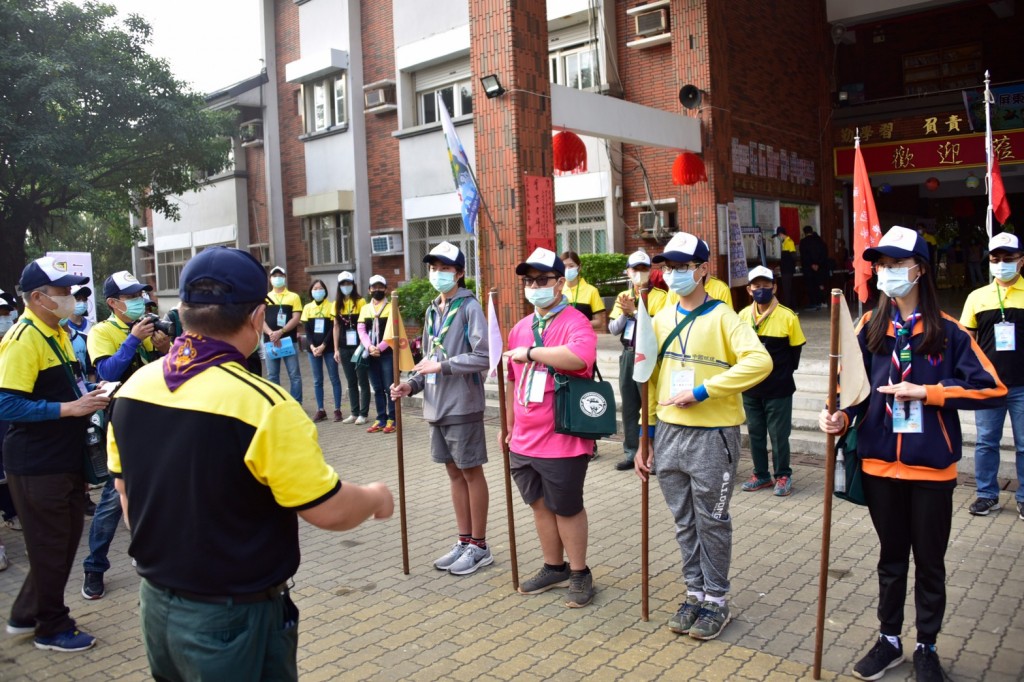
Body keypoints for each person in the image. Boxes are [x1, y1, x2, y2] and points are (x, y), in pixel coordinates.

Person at [106, 246, 393, 680]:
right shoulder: (265, 405)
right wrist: (374, 497)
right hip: (231, 619)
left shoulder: (132, 389)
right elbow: (327, 508)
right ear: (258, 317)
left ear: (183, 312)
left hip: (156, 606)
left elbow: (125, 490)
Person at [819, 225, 1005, 682]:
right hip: (880, 465)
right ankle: (889, 641)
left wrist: (929, 393)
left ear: (919, 269)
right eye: (881, 264)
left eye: (896, 264)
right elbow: (855, 392)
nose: (886, 272)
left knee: (930, 562)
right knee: (891, 559)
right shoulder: (868, 327)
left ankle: (927, 646)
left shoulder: (951, 332)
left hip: (931, 469)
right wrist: (841, 417)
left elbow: (993, 388)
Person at [634, 232, 771, 641]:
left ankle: (717, 600)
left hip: (713, 436)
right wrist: (646, 437)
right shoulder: (658, 319)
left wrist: (704, 391)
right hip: (669, 433)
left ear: (703, 270)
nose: (674, 274)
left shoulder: (725, 317)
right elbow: (649, 381)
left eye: (682, 267)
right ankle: (693, 592)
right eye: (669, 267)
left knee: (712, 521)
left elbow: (759, 362)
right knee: (683, 521)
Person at [0, 257, 110, 652]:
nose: (71, 299)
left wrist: (86, 396)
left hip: (63, 458)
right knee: (51, 545)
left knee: (62, 542)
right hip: (36, 463)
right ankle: (51, 626)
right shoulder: (22, 339)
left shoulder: (57, 333)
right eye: (62, 293)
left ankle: (26, 612)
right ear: (37, 298)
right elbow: (5, 404)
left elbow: (61, 388)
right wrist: (69, 409)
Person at [503, 247, 598, 608]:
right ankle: (553, 567)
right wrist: (508, 426)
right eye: (529, 281)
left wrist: (532, 353)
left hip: (563, 437)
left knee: (567, 507)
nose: (534, 286)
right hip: (524, 438)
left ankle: (579, 572)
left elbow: (579, 358)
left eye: (542, 280)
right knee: (540, 506)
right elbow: (513, 380)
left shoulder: (575, 321)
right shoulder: (521, 327)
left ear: (560, 283)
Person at [391, 242, 493, 575]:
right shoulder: (433, 308)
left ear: (460, 273)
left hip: (462, 404)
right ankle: (464, 540)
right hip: (436, 405)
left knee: (470, 471)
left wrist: (444, 367)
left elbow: (484, 356)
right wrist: (411, 385)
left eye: (445, 268)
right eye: (433, 267)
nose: (438, 273)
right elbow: (429, 359)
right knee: (453, 472)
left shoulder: (469, 307)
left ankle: (480, 546)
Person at [81, 270, 169, 601]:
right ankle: (94, 566)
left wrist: (165, 349)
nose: (139, 302)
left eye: (140, 296)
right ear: (114, 303)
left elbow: (167, 372)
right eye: (131, 297)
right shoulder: (101, 332)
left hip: (157, 418)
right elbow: (106, 373)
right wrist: (133, 338)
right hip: (122, 422)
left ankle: (147, 552)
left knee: (155, 492)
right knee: (112, 499)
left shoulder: (150, 328)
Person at [960, 231, 1024, 521]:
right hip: (988, 385)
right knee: (986, 442)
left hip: (1022, 385)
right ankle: (987, 495)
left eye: (1008, 259)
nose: (1001, 264)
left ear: (1021, 261)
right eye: (996, 259)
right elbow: (967, 340)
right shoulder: (977, 297)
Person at [738, 266, 806, 496]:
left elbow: (795, 352)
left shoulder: (787, 316)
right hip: (750, 387)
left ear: (774, 287)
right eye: (757, 286)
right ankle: (761, 474)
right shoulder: (742, 316)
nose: (762, 290)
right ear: (749, 289)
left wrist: (780, 375)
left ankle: (783, 475)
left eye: (766, 286)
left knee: (779, 435)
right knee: (755, 432)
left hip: (779, 388)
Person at [607, 250, 668, 471]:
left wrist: (635, 313)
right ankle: (632, 452)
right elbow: (613, 328)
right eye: (635, 269)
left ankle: (654, 454)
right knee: (630, 405)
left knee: (650, 403)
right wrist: (625, 313)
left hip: (650, 355)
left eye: (644, 269)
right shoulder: (624, 296)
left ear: (651, 271)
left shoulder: (662, 297)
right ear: (628, 272)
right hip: (629, 353)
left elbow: (660, 328)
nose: (640, 273)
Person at [301, 279, 343, 422]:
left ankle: (337, 409)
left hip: (329, 347)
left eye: (320, 288)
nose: (318, 291)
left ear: (325, 291)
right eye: (315, 288)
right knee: (317, 380)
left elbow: (333, 328)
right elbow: (307, 330)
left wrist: (324, 345)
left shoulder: (331, 306)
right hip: (313, 350)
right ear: (311, 291)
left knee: (334, 378)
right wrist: (313, 347)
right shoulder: (307, 308)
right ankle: (320, 410)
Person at [359, 275, 396, 433]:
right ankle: (381, 418)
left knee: (390, 387)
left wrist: (379, 348)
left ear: (386, 289)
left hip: (387, 353)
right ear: (369, 290)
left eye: (381, 287)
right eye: (374, 287)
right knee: (377, 387)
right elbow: (361, 329)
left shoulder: (392, 307)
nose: (377, 290)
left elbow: (393, 331)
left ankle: (393, 419)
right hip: (370, 354)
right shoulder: (365, 309)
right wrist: (369, 347)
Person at [333, 272, 370, 425]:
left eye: (348, 283)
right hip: (343, 347)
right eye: (343, 284)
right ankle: (354, 412)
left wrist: (365, 345)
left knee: (362, 379)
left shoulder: (361, 302)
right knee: (351, 380)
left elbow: (365, 326)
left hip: (359, 347)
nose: (346, 286)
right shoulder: (337, 303)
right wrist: (336, 349)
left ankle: (364, 413)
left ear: (353, 284)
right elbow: (336, 327)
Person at [263, 265, 303, 402]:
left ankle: (296, 403)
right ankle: (277, 403)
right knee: (272, 375)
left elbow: (296, 317)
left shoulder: (293, 297)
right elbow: (260, 319)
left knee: (294, 374)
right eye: (274, 276)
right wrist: (271, 333)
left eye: (280, 276)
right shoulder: (265, 298)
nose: (277, 278)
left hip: (288, 341)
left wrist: (281, 332)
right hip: (270, 342)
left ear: (285, 278)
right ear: (270, 279)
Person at [561, 251, 607, 332]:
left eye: (571, 266)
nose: (567, 269)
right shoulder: (557, 290)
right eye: (564, 266)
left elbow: (599, 322)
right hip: (562, 339)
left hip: (584, 338)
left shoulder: (591, 290)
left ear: (579, 267)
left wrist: (578, 325)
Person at [799, 225, 829, 310]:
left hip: (809, 268)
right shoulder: (820, 241)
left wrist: (812, 264)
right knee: (820, 284)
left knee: (811, 286)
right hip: (820, 268)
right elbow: (824, 253)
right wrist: (818, 264)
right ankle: (822, 301)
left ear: (804, 233)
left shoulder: (803, 242)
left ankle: (813, 303)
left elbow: (804, 255)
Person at [776, 227, 798, 309]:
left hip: (787, 270)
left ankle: (788, 307)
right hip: (785, 269)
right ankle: (792, 307)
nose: (778, 238)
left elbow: (793, 256)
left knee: (787, 289)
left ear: (781, 234)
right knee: (789, 289)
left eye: (778, 236)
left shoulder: (789, 242)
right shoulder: (784, 242)